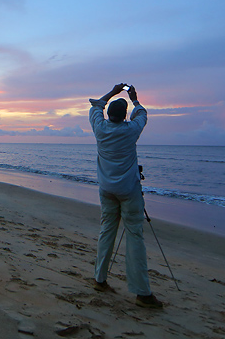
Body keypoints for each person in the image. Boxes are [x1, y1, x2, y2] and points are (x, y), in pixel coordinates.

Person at [88, 83, 163, 309]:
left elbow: (95, 107)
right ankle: (142, 292)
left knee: (106, 231)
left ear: (109, 115)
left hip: (107, 190)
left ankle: (100, 279)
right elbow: (142, 114)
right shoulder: (131, 130)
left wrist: (112, 92)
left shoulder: (100, 128)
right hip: (129, 192)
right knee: (134, 238)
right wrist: (134, 99)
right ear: (124, 116)